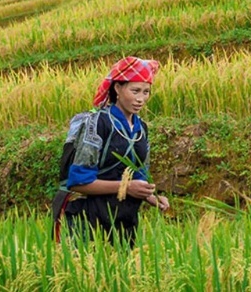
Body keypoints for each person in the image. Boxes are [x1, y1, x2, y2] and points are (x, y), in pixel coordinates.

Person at [54, 56, 169, 247]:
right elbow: (78, 182)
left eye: (146, 92)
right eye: (135, 91)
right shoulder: (97, 124)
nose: (140, 99)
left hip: (123, 217)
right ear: (117, 88)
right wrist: (126, 187)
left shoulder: (141, 129)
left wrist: (151, 197)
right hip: (87, 215)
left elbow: (138, 176)